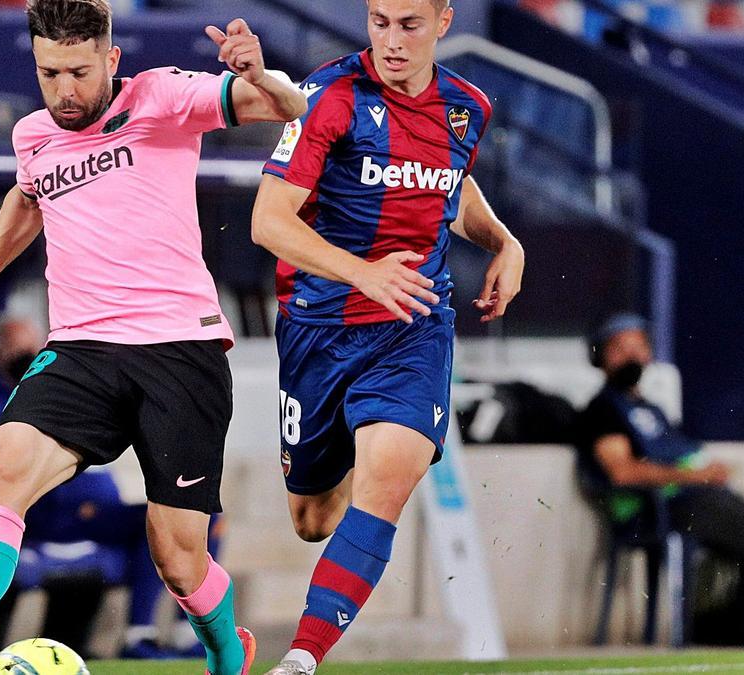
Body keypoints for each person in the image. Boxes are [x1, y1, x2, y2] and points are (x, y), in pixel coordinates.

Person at [0, 1, 306, 674]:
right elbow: (26, 199)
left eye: (80, 72)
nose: (65, 89)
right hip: (82, 349)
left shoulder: (165, 98)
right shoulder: (34, 135)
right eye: (49, 72)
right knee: (2, 468)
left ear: (111, 61)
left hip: (179, 350)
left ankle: (225, 650)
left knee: (177, 557)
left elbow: (289, 108)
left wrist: (261, 74)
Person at [249, 0, 525, 671]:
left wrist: (504, 240)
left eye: (409, 24)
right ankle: (345, 446)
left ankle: (301, 659)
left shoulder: (468, 108)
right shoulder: (327, 97)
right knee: (312, 518)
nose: (392, 41)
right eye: (379, 22)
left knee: (389, 480)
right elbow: (267, 221)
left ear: (443, 22)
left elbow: (449, 187)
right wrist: (361, 273)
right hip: (319, 327)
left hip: (413, 326)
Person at [0, 316, 220, 660]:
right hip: (49, 515)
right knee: (149, 524)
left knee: (199, 517)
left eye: (34, 346)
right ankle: (139, 635)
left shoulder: (53, 389)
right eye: (19, 348)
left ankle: (183, 632)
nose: (30, 354)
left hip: (88, 509)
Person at [578, 314, 744, 586]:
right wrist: (697, 476)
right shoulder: (603, 410)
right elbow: (622, 472)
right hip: (652, 509)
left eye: (638, 347)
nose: (631, 356)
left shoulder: (651, 409)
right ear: (600, 357)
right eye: (620, 349)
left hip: (691, 497)